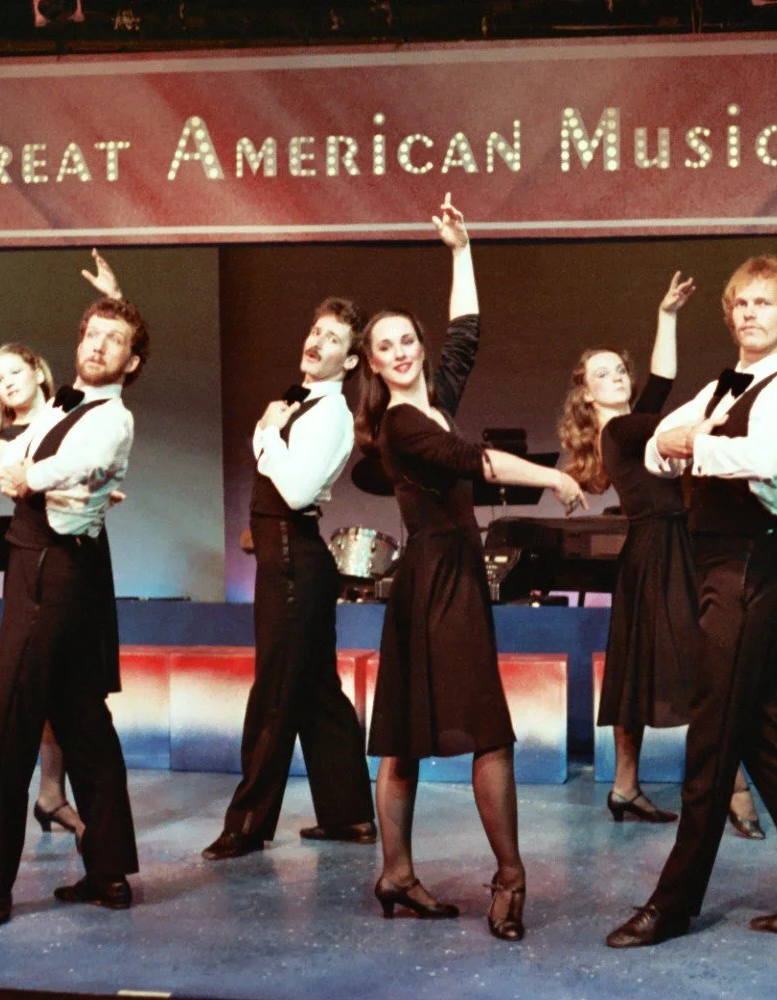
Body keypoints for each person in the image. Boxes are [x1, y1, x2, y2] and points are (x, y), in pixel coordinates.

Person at [355, 196, 586, 943]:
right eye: (384, 345)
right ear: (371, 361)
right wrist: (554, 479)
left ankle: (397, 871)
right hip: (435, 579)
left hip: (445, 575)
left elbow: (465, 338)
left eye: (404, 340)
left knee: (411, 733)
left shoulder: (435, 401)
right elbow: (477, 463)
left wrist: (460, 250)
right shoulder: (401, 423)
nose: (399, 351)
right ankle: (509, 878)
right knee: (479, 730)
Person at [606, 255, 777, 948]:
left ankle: (673, 905)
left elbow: (763, 458)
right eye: (740, 303)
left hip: (751, 567)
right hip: (714, 564)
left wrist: (697, 443)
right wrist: (688, 442)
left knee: (712, 738)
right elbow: (655, 446)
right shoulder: (721, 385)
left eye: (763, 304)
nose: (748, 313)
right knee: (763, 734)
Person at [0, 254, 147, 928]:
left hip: (51, 570)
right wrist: (33, 470)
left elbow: (27, 476)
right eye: (90, 335)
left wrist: (38, 473)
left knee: (8, 723)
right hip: (49, 562)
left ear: (132, 363)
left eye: (114, 341)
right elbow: (13, 462)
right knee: (80, 720)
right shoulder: (59, 405)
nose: (98, 346)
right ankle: (107, 872)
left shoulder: (111, 418)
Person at [559, 273, 765, 838]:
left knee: (635, 672)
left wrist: (666, 316)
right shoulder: (623, 429)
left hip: (654, 552)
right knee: (705, 667)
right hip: (665, 549)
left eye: (619, 369)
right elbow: (679, 423)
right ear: (585, 393)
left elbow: (661, 380)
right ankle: (737, 788)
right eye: (604, 373)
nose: (618, 377)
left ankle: (625, 786)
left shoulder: (626, 424)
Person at [200, 294, 377, 861]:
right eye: (316, 330)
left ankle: (247, 824)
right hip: (287, 559)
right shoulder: (296, 403)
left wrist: (267, 434)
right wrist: (271, 429)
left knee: (276, 692)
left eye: (333, 339)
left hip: (295, 563)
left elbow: (297, 491)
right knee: (317, 692)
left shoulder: (329, 415)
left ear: (350, 362)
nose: (317, 341)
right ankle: (349, 817)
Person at [0, 342, 87, 841]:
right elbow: (19, 481)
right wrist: (81, 482)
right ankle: (41, 797)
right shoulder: (4, 439)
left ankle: (52, 792)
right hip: (34, 564)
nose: (8, 383)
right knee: (33, 685)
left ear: (39, 371)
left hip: (81, 559)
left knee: (71, 682)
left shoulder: (75, 416)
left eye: (15, 371)